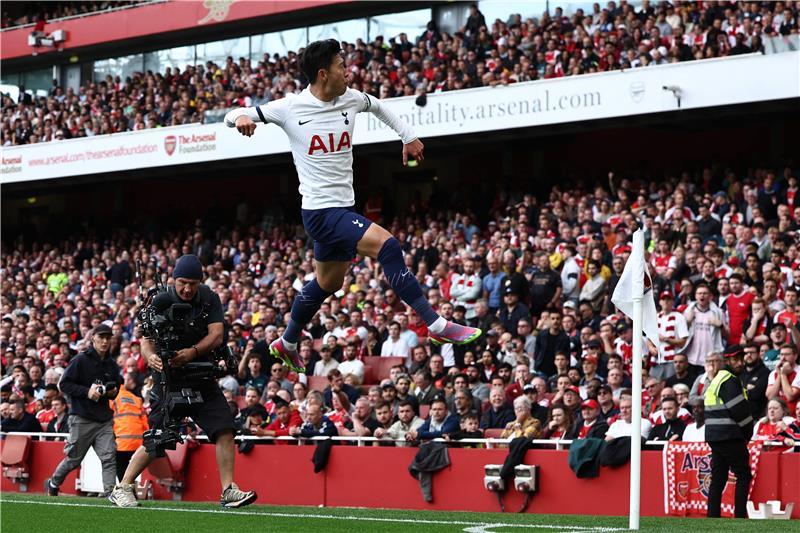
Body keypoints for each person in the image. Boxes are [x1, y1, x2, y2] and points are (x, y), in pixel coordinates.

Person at [226, 39, 481, 373]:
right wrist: (242, 115)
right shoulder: (290, 108)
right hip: (320, 212)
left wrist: (408, 136)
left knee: (329, 284)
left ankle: (287, 342)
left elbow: (379, 107)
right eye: (341, 65)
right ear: (322, 73)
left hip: (344, 208)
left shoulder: (350, 98)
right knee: (389, 247)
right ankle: (436, 326)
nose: (348, 70)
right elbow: (232, 116)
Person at [110, 255, 256, 509]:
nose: (187, 289)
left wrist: (192, 353)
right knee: (159, 436)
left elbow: (217, 334)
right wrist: (152, 357)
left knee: (224, 428)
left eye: (192, 283)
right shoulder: (159, 300)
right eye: (182, 283)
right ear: (173, 280)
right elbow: (145, 340)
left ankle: (228, 490)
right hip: (169, 380)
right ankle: (122, 487)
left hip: (201, 374)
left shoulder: (209, 297)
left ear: (200, 281)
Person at [44, 325, 122, 497]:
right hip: (82, 418)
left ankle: (111, 494)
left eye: (108, 338)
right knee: (73, 460)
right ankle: (53, 483)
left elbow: (116, 387)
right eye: (101, 337)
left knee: (109, 457)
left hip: (103, 420)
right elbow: (64, 384)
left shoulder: (111, 364)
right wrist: (87, 392)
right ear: (92, 338)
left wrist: (112, 392)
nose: (104, 341)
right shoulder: (80, 360)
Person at [704, 345, 754, 519]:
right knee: (743, 475)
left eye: (741, 359)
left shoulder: (718, 378)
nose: (739, 362)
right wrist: (748, 433)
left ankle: (713, 518)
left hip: (715, 435)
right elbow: (739, 411)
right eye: (735, 359)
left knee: (718, 478)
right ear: (726, 361)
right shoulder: (729, 379)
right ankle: (740, 517)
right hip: (730, 435)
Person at [110, 371, 148, 483]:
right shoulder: (136, 399)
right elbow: (145, 421)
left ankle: (126, 492)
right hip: (138, 442)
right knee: (132, 471)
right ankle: (131, 492)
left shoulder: (112, 398)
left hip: (122, 442)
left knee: (122, 472)